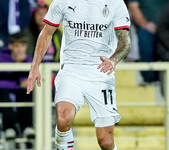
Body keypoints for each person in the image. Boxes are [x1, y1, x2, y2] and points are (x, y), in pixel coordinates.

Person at [27, 0, 131, 149]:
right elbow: (46, 33)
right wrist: (35, 66)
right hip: (71, 70)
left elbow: (125, 41)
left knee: (105, 141)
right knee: (63, 119)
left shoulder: (115, 3)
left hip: (101, 74)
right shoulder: (63, 1)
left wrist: (114, 60)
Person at [0, 31, 33, 138]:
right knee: (3, 93)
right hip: (4, 91)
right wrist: (17, 84)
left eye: (22, 46)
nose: (20, 49)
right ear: (11, 46)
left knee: (26, 91)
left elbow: (25, 82)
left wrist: (22, 63)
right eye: (16, 46)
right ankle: (9, 127)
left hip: (17, 91)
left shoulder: (28, 60)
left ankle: (27, 127)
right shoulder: (0, 57)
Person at [128, 0, 169, 83]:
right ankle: (149, 79)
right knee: (144, 35)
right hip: (148, 29)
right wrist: (146, 24)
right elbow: (133, 6)